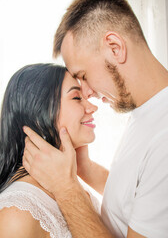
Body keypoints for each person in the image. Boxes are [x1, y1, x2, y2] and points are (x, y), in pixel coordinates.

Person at [22, 0, 168, 237]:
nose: (86, 93)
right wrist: (84, 168)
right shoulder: (150, 111)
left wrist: (65, 189)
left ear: (115, 47)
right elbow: (139, 198)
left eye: (83, 75)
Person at [0, 63, 100, 238]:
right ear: (38, 111)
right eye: (77, 98)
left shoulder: (71, 182)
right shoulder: (17, 213)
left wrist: (86, 169)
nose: (93, 107)